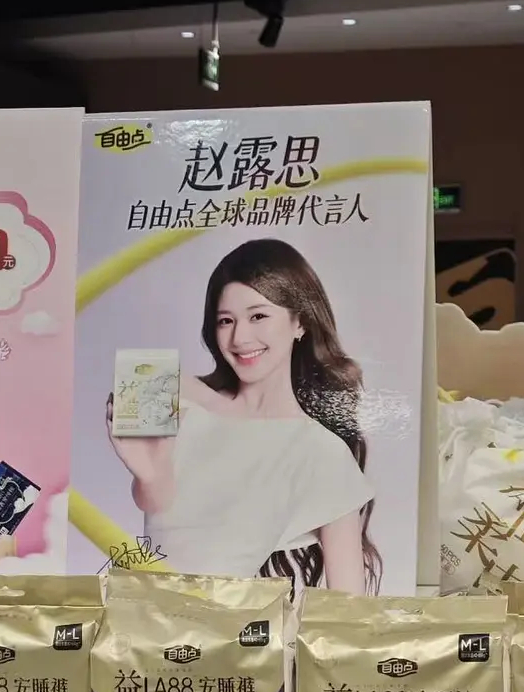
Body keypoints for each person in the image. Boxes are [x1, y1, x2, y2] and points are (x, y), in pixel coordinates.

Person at [107, 239, 381, 592]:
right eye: (226, 321)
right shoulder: (176, 395)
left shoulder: (322, 452)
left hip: (235, 624)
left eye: (258, 316)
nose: (240, 337)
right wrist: (149, 475)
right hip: (148, 613)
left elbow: (348, 603)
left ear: (300, 322)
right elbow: (160, 523)